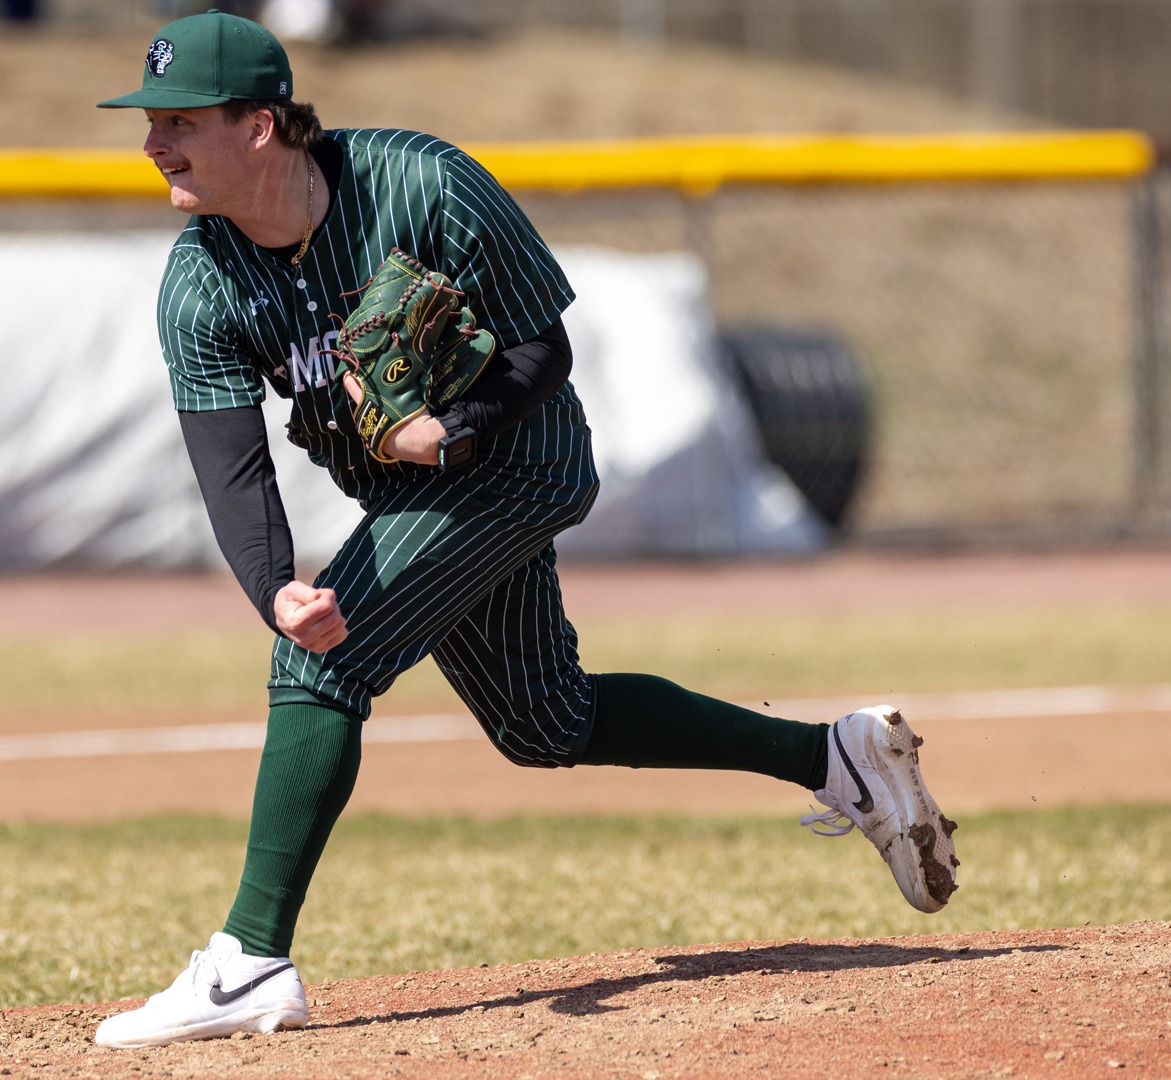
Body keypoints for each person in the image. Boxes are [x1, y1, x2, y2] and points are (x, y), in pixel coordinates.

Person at [91, 9, 959, 1050]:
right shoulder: (201, 280)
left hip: (522, 457)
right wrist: (275, 588)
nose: (153, 144)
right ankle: (837, 757)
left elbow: (544, 348)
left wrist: (450, 435)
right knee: (543, 724)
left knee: (323, 668)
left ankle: (248, 961)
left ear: (261, 126)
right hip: (409, 492)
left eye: (178, 120)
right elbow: (228, 462)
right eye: (152, 122)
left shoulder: (421, 185)